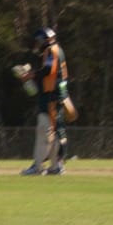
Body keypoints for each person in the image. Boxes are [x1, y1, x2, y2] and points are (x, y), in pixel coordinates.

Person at [19, 28, 72, 176]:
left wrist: (30, 75)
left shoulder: (51, 51)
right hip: (57, 96)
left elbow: (48, 69)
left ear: (44, 40)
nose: (37, 44)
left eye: (38, 41)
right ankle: (55, 166)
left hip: (50, 98)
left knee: (44, 131)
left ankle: (38, 166)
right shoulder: (58, 50)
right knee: (54, 133)